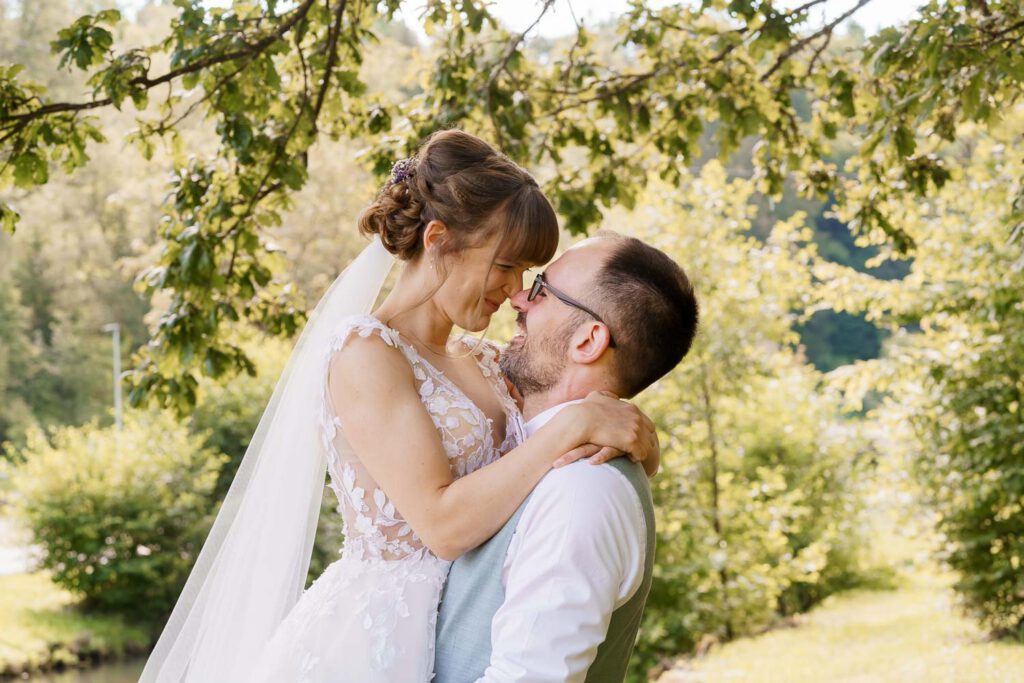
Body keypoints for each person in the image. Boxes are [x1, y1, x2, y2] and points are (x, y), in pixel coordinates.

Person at [139, 130, 659, 683]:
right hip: (376, 641)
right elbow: (440, 524)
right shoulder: (366, 353)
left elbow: (560, 413)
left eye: (527, 274)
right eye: (506, 266)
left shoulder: (486, 361)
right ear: (439, 240)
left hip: (466, 623)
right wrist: (574, 427)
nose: (514, 292)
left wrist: (636, 443)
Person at [434, 232, 699, 682]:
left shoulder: (582, 489)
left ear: (588, 340)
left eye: (541, 289)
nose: (518, 298)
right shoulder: (520, 443)